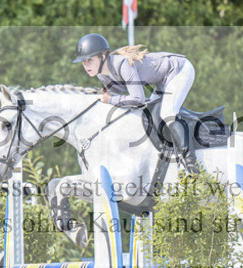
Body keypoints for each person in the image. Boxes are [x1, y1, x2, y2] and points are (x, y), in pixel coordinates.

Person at [72, 33, 199, 172]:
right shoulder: (102, 74)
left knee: (167, 112)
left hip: (178, 69)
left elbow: (138, 99)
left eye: (89, 60)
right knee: (152, 114)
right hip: (162, 80)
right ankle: (172, 156)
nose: (85, 65)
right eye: (83, 62)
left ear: (103, 56)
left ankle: (191, 163)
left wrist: (111, 99)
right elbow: (117, 101)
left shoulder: (122, 64)